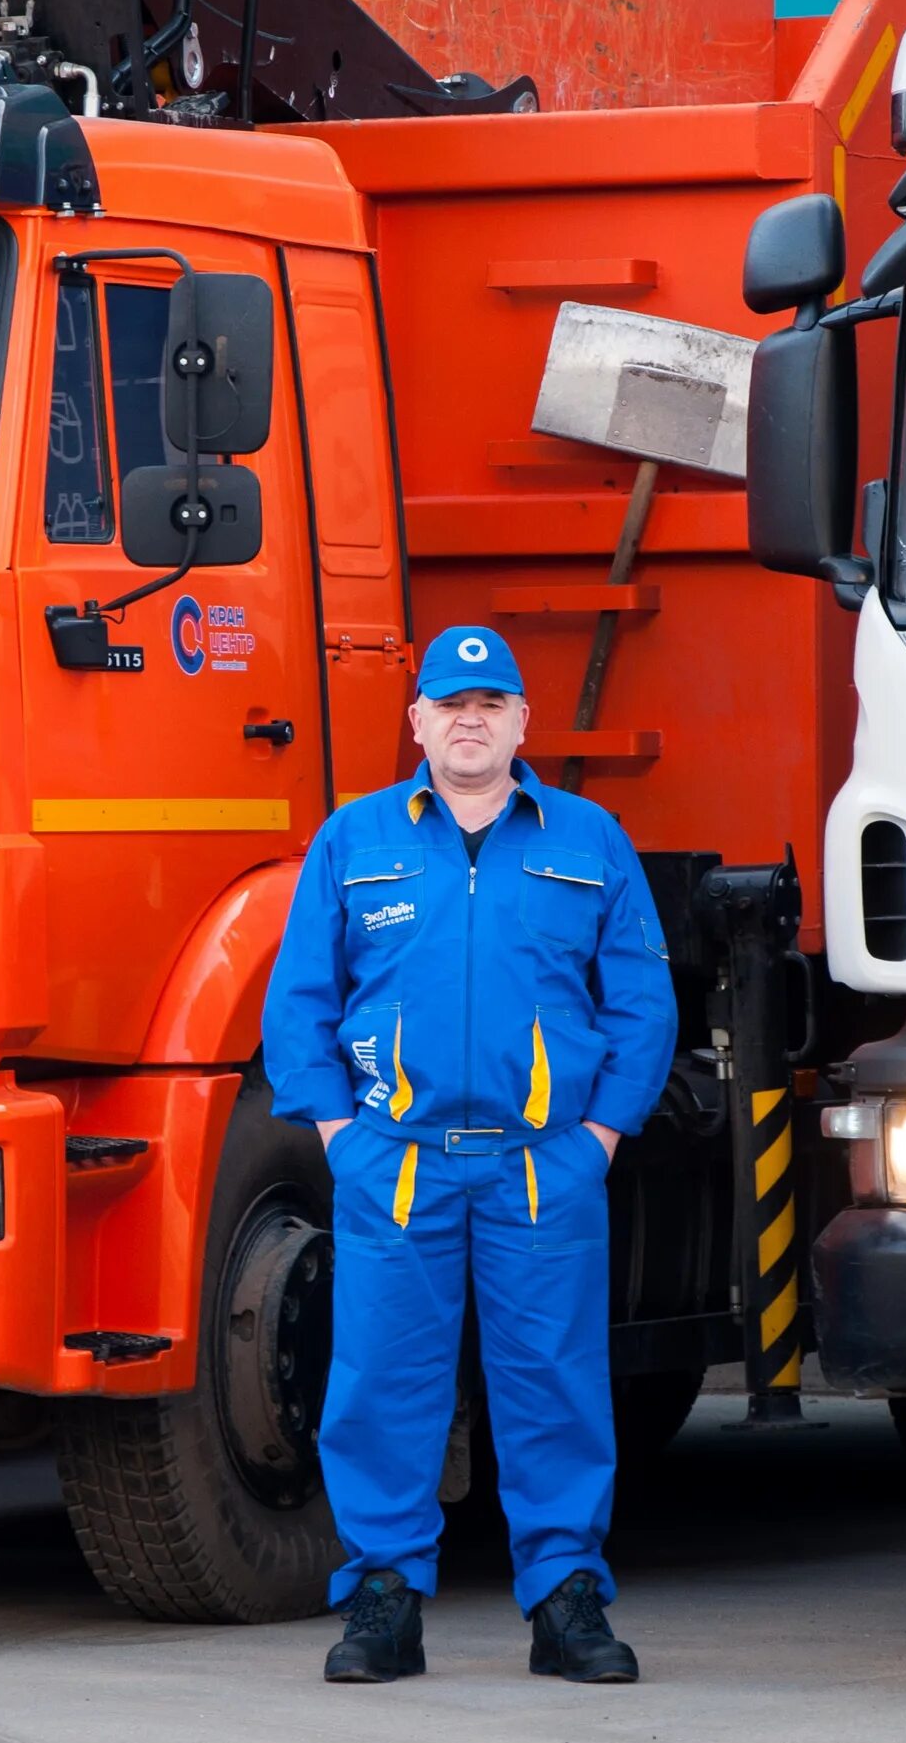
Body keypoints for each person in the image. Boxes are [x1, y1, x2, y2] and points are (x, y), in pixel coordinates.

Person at [262, 624, 678, 1684]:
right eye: (451, 704)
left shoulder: (587, 841)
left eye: (491, 704)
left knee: (555, 1382)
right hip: (395, 1164)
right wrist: (338, 1136)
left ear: (523, 723)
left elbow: (640, 1004)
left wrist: (597, 1138)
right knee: (381, 1384)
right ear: (418, 723)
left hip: (543, 1165)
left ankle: (567, 1599)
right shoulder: (354, 842)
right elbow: (299, 1002)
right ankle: (383, 1602)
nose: (471, 720)